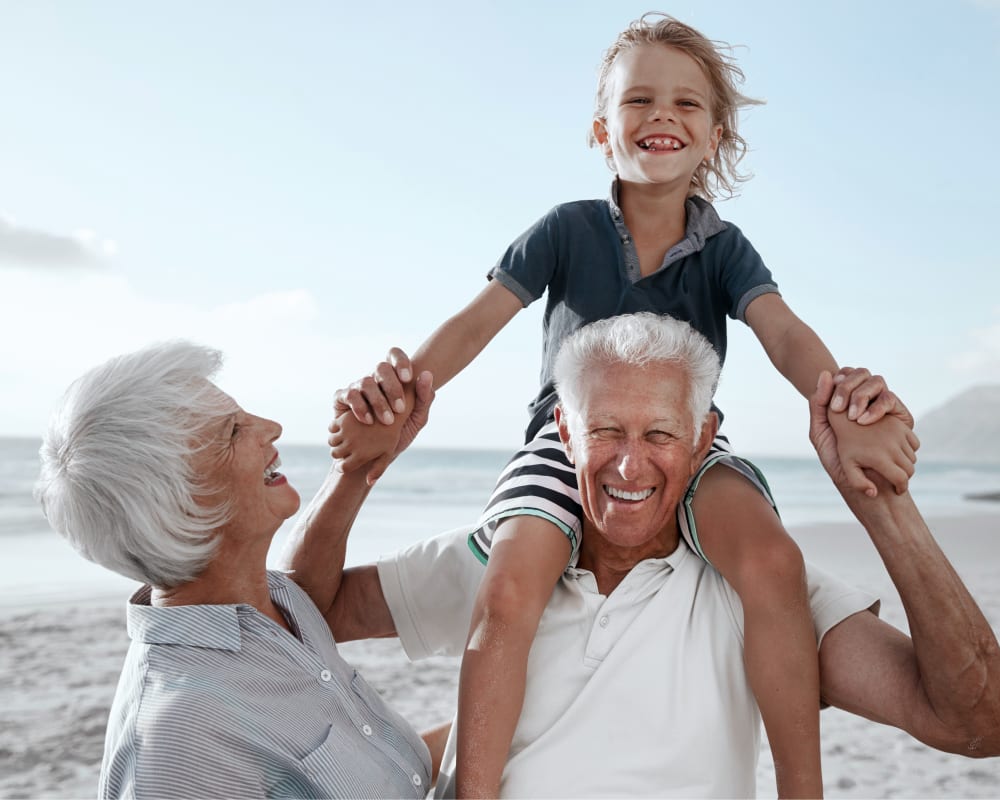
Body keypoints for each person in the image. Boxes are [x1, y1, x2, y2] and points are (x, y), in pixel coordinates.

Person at [328, 12, 918, 798]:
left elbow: (782, 333)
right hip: (566, 441)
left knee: (774, 561)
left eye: (686, 105)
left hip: (686, 443)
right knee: (507, 592)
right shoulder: (566, 231)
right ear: (601, 130)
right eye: (638, 101)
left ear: (714, 137)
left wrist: (841, 393)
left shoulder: (726, 248)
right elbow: (477, 322)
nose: (661, 116)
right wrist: (402, 391)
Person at [287, 314, 1000, 798]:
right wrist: (355, 476)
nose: (630, 467)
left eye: (660, 433)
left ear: (703, 436)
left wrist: (884, 504)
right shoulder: (499, 561)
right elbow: (294, 616)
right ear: (563, 432)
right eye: (606, 431)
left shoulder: (759, 590)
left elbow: (976, 721)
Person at [34, 340, 444, 799]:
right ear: (183, 506)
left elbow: (395, 777)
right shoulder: (180, 739)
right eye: (233, 432)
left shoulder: (282, 604)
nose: (272, 428)